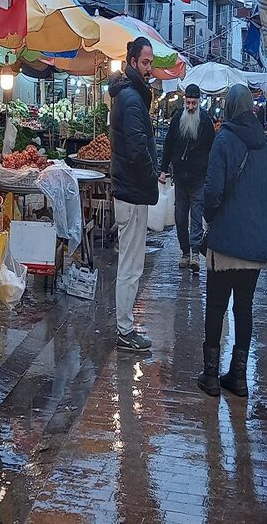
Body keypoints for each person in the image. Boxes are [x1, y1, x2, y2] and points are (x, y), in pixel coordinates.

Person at [197, 84, 267, 397]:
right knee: (244, 307)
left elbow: (213, 190)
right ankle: (239, 378)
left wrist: (208, 216)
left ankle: (211, 376)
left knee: (216, 305)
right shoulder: (264, 143)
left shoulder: (224, 139)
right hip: (254, 245)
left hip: (227, 240)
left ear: (229, 108)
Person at [109, 36, 157, 352]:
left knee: (130, 264)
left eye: (151, 63)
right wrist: (152, 177)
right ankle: (125, 330)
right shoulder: (131, 100)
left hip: (128, 190)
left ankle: (126, 327)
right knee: (130, 266)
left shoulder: (128, 97)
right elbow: (138, 151)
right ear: (131, 61)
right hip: (132, 192)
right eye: (145, 62)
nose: (149, 68)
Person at [160, 83, 215, 272]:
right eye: (188, 103)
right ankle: (184, 251)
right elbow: (168, 145)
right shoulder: (177, 119)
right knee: (180, 218)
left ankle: (194, 253)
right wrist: (163, 169)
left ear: (198, 103)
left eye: (193, 103)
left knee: (197, 217)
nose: (190, 107)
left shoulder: (206, 121)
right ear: (184, 102)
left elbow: (212, 149)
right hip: (180, 178)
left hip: (199, 178)